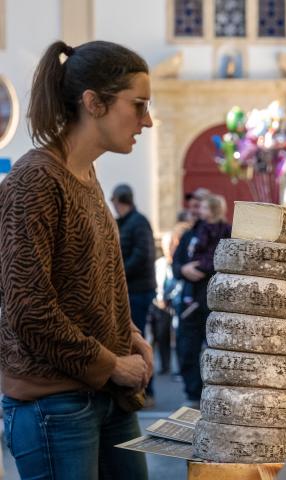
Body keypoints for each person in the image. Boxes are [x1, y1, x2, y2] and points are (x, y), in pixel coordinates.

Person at [0, 40, 153, 479]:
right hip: (56, 404)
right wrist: (112, 363)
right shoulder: (34, 181)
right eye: (138, 104)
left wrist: (131, 335)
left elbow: (89, 285)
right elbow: (30, 310)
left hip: (104, 396)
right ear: (93, 102)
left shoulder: (86, 175)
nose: (147, 120)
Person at [172, 193, 231, 406]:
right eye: (195, 206)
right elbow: (177, 264)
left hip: (216, 301)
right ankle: (193, 394)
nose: (197, 210)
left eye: (202, 206)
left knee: (220, 349)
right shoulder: (191, 234)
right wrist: (184, 269)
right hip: (191, 300)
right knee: (187, 348)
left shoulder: (227, 231)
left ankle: (218, 394)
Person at [111, 183, 157, 405]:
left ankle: (147, 390)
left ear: (119, 201)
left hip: (138, 290)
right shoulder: (125, 223)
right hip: (131, 288)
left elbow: (141, 255)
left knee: (137, 342)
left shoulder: (138, 223)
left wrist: (117, 273)